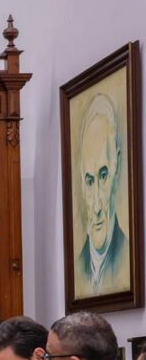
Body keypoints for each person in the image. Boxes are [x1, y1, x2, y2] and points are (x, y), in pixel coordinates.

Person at [75, 93, 128, 296]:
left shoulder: (127, 254)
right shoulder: (79, 264)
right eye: (90, 181)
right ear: (82, 181)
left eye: (103, 176)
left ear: (118, 166)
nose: (96, 206)